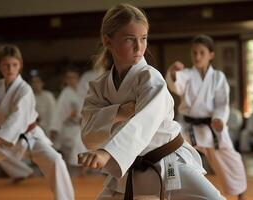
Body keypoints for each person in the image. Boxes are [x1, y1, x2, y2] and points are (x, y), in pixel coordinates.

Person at [78, 4, 225, 200]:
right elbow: (88, 135)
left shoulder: (150, 78)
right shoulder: (100, 86)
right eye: (130, 39)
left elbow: (143, 123)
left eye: (144, 39)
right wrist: (120, 112)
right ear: (108, 41)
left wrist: (107, 153)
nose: (139, 47)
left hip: (168, 161)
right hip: (130, 167)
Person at [0, 45, 74, 200]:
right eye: (6, 65)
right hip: (0, 138)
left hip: (29, 138)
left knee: (55, 161)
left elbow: (17, 118)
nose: (10, 69)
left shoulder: (24, 89)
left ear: (20, 65)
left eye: (14, 65)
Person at [165, 35, 247, 200]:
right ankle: (171, 192)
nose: (197, 57)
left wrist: (219, 119)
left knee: (232, 159)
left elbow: (222, 103)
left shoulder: (218, 77)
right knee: (169, 152)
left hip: (212, 126)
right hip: (188, 127)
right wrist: (173, 73)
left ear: (211, 55)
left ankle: (241, 195)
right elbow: (176, 84)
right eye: (194, 53)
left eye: (202, 53)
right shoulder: (187, 74)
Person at [50, 69, 87, 167]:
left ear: (78, 79)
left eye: (73, 77)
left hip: (80, 126)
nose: (71, 80)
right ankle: (77, 171)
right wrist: (54, 129)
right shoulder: (65, 93)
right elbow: (59, 112)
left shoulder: (82, 92)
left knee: (80, 146)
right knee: (71, 151)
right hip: (67, 127)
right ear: (66, 80)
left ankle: (82, 171)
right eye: (69, 78)